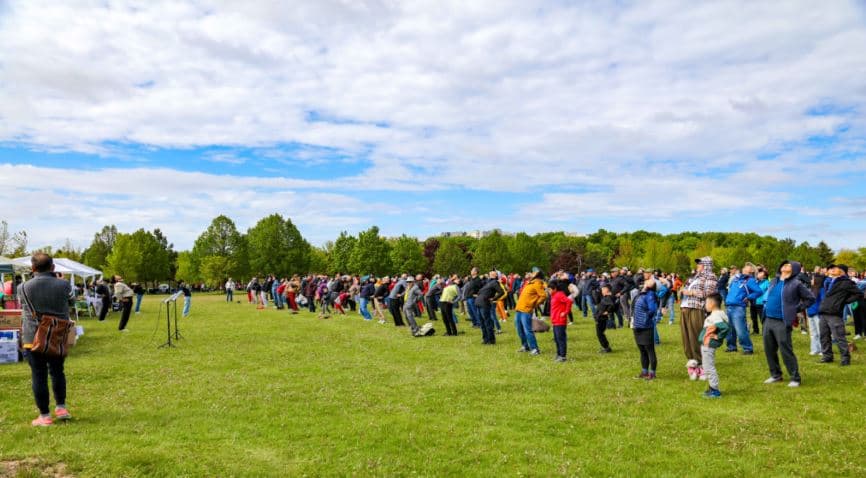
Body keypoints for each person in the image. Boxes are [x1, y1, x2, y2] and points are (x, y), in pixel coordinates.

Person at [18, 253, 74, 426]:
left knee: (39, 375)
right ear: (53, 267)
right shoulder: (64, 284)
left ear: (33, 268)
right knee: (58, 372)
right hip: (57, 335)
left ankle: (44, 416)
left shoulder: (23, 287)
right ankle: (61, 408)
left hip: (33, 337)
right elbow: (71, 302)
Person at [762, 261, 814, 387]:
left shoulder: (796, 284)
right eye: (784, 264)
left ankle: (795, 378)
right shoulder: (773, 281)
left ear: (794, 269)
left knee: (785, 350)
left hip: (782, 321)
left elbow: (810, 298)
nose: (785, 266)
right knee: (769, 350)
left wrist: (795, 309)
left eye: (789, 265)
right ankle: (776, 375)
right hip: (768, 319)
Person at [680, 257, 717, 380]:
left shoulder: (710, 276)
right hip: (685, 307)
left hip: (696, 309)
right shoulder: (695, 277)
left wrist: (690, 292)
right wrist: (683, 291)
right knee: (686, 338)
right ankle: (693, 364)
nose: (697, 265)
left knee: (695, 337)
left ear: (706, 265)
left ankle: (702, 366)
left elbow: (708, 294)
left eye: (700, 263)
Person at [817, 264, 862, 366]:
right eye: (831, 269)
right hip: (824, 312)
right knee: (824, 336)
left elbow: (858, 294)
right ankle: (827, 356)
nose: (832, 270)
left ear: (841, 271)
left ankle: (845, 358)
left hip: (834, 313)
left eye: (835, 268)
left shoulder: (846, 283)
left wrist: (844, 301)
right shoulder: (829, 281)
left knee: (839, 337)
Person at [724, 263, 764, 355]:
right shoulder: (736, 279)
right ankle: (731, 347)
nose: (744, 268)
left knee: (740, 329)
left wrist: (749, 297)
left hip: (738, 307)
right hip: (729, 306)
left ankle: (748, 348)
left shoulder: (750, 280)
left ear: (752, 270)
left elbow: (759, 291)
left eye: (747, 267)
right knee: (729, 329)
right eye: (744, 267)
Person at [699, 293, 730, 398]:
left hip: (708, 344)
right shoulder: (718, 314)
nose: (705, 305)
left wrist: (718, 336)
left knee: (709, 367)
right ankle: (712, 388)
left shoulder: (716, 315)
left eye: (706, 303)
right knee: (707, 366)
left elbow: (725, 327)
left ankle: (715, 390)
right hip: (707, 344)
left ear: (712, 303)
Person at [514, 268, 547, 355]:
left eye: (533, 272)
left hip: (526, 310)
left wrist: (534, 304)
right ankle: (525, 346)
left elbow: (543, 296)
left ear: (537, 274)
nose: (531, 273)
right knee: (519, 329)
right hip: (519, 309)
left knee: (527, 330)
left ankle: (535, 349)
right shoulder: (530, 282)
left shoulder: (537, 283)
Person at [633, 279, 659, 380]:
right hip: (637, 326)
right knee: (642, 350)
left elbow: (652, 309)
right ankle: (644, 372)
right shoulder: (642, 293)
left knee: (649, 350)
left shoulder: (650, 294)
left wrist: (646, 317)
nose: (646, 281)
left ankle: (652, 374)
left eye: (648, 281)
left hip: (646, 326)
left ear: (651, 285)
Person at [475, 270, 506, 345]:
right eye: (490, 273)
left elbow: (502, 292)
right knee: (482, 323)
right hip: (479, 302)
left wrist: (493, 299)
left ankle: (491, 340)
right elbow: (479, 291)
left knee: (487, 322)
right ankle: (485, 339)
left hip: (484, 303)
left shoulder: (495, 282)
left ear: (496, 275)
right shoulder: (487, 282)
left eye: (493, 273)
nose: (491, 273)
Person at [549, 279, 573, 362]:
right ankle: (559, 354)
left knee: (561, 339)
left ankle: (563, 356)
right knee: (556, 339)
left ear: (555, 289)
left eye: (550, 289)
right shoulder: (553, 295)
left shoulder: (559, 295)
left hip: (560, 321)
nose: (548, 291)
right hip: (555, 321)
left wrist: (565, 312)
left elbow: (569, 301)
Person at [594, 285, 615, 353]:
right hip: (599, 317)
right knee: (600, 333)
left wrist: (607, 312)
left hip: (601, 318)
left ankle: (606, 347)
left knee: (600, 334)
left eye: (603, 290)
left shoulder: (608, 297)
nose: (602, 291)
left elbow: (612, 305)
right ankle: (606, 347)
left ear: (607, 290)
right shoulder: (605, 297)